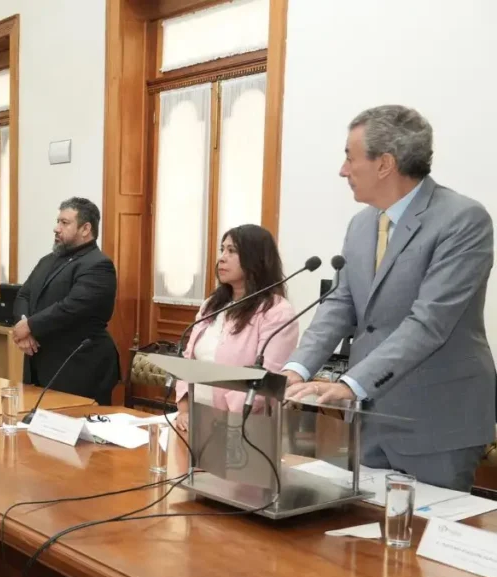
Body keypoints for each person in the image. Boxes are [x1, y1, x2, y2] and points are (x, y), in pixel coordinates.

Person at [283, 105, 495, 491]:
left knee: (421, 544)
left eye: (350, 157)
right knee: (357, 539)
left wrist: (351, 384)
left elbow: (429, 323)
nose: (342, 170)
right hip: (371, 417)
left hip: (437, 422)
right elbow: (340, 304)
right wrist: (295, 369)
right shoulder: (361, 223)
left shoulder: (464, 220)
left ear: (384, 164)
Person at [175, 225, 298, 432]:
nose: (222, 258)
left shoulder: (277, 312)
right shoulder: (211, 305)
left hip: (244, 426)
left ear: (255, 259)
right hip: (195, 419)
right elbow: (187, 359)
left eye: (232, 251)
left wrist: (226, 420)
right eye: (222, 250)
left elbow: (266, 377)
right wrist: (184, 409)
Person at [13, 197, 120, 405]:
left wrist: (30, 326)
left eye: (64, 222)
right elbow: (23, 295)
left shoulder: (98, 265)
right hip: (39, 363)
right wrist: (24, 327)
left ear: (85, 228)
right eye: (58, 221)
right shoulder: (47, 260)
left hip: (79, 367)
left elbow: (72, 307)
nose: (56, 228)